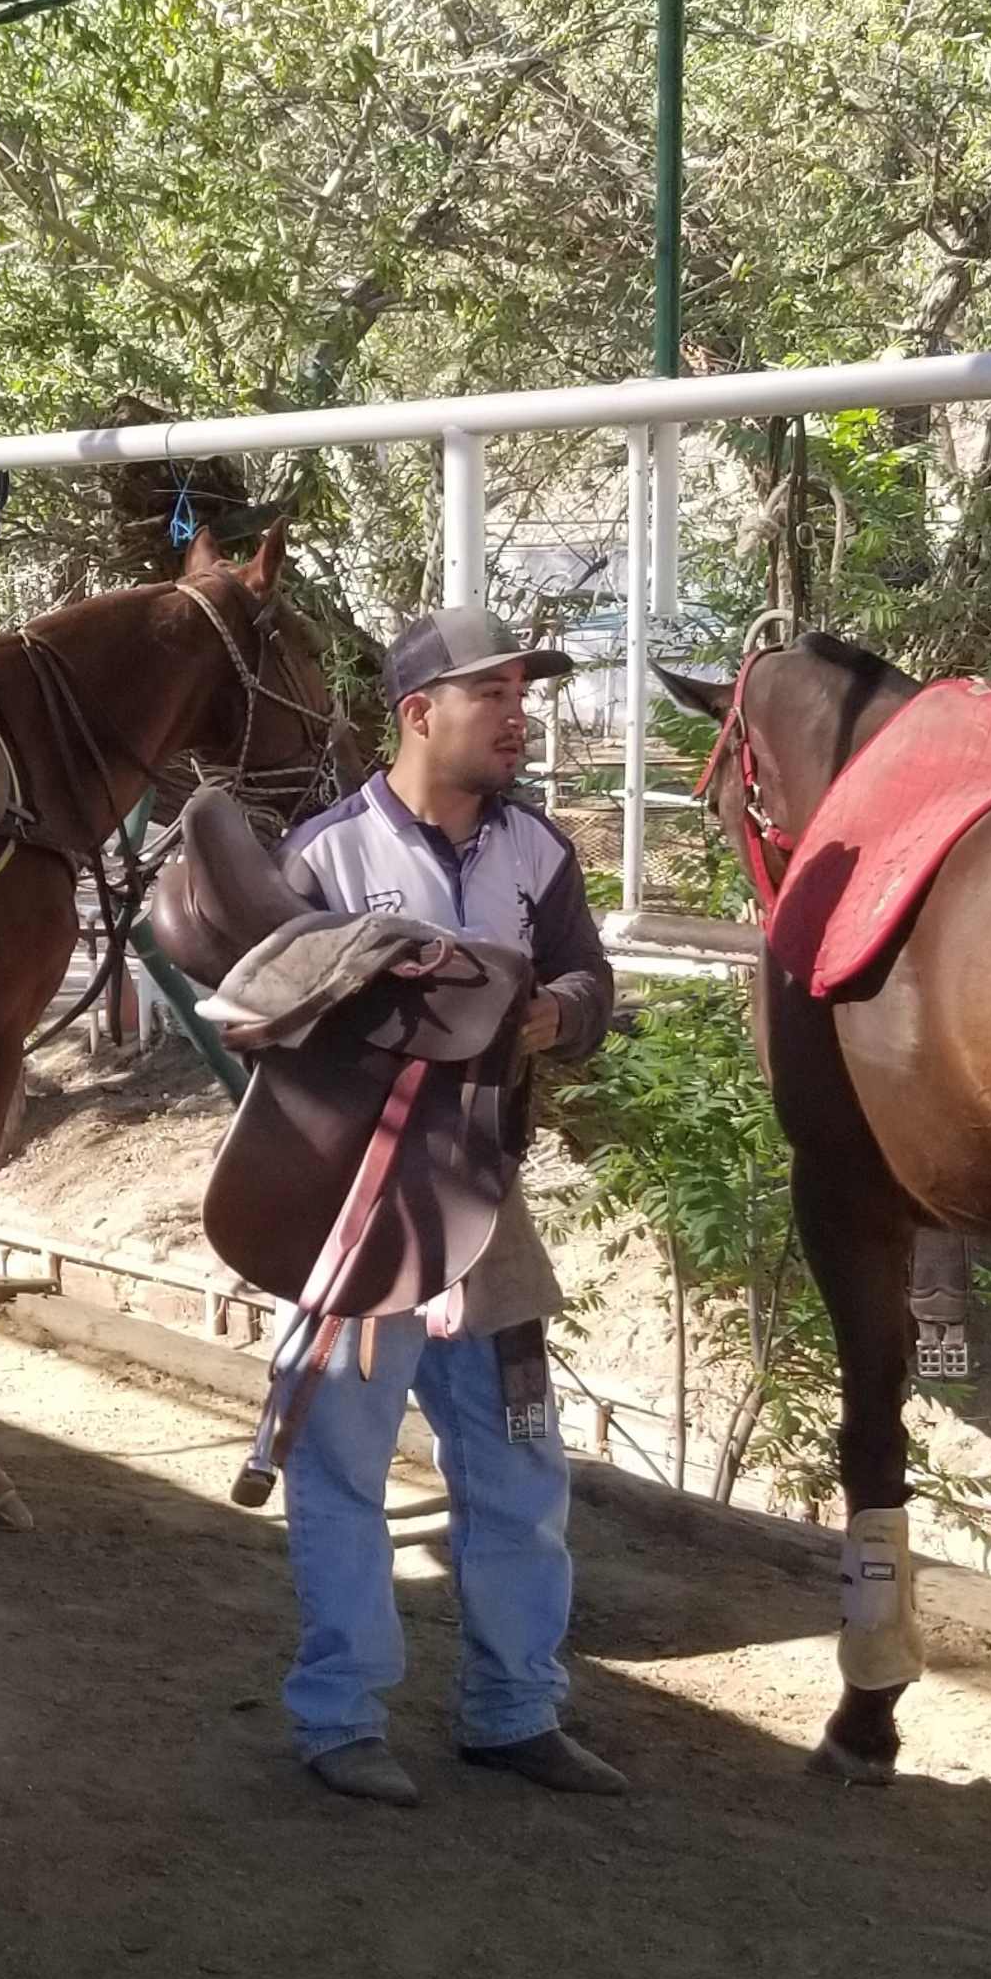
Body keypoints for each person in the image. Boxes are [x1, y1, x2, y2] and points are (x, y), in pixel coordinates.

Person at [275, 606, 620, 1808]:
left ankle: (515, 1711)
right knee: (342, 1474)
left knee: (521, 1467)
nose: (519, 714)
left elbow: (589, 976)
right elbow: (267, 1019)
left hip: (489, 1199)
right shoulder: (323, 856)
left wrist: (552, 1015)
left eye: (524, 692)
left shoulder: (541, 854)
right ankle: (340, 1717)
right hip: (359, 1209)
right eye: (494, 694)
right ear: (420, 713)